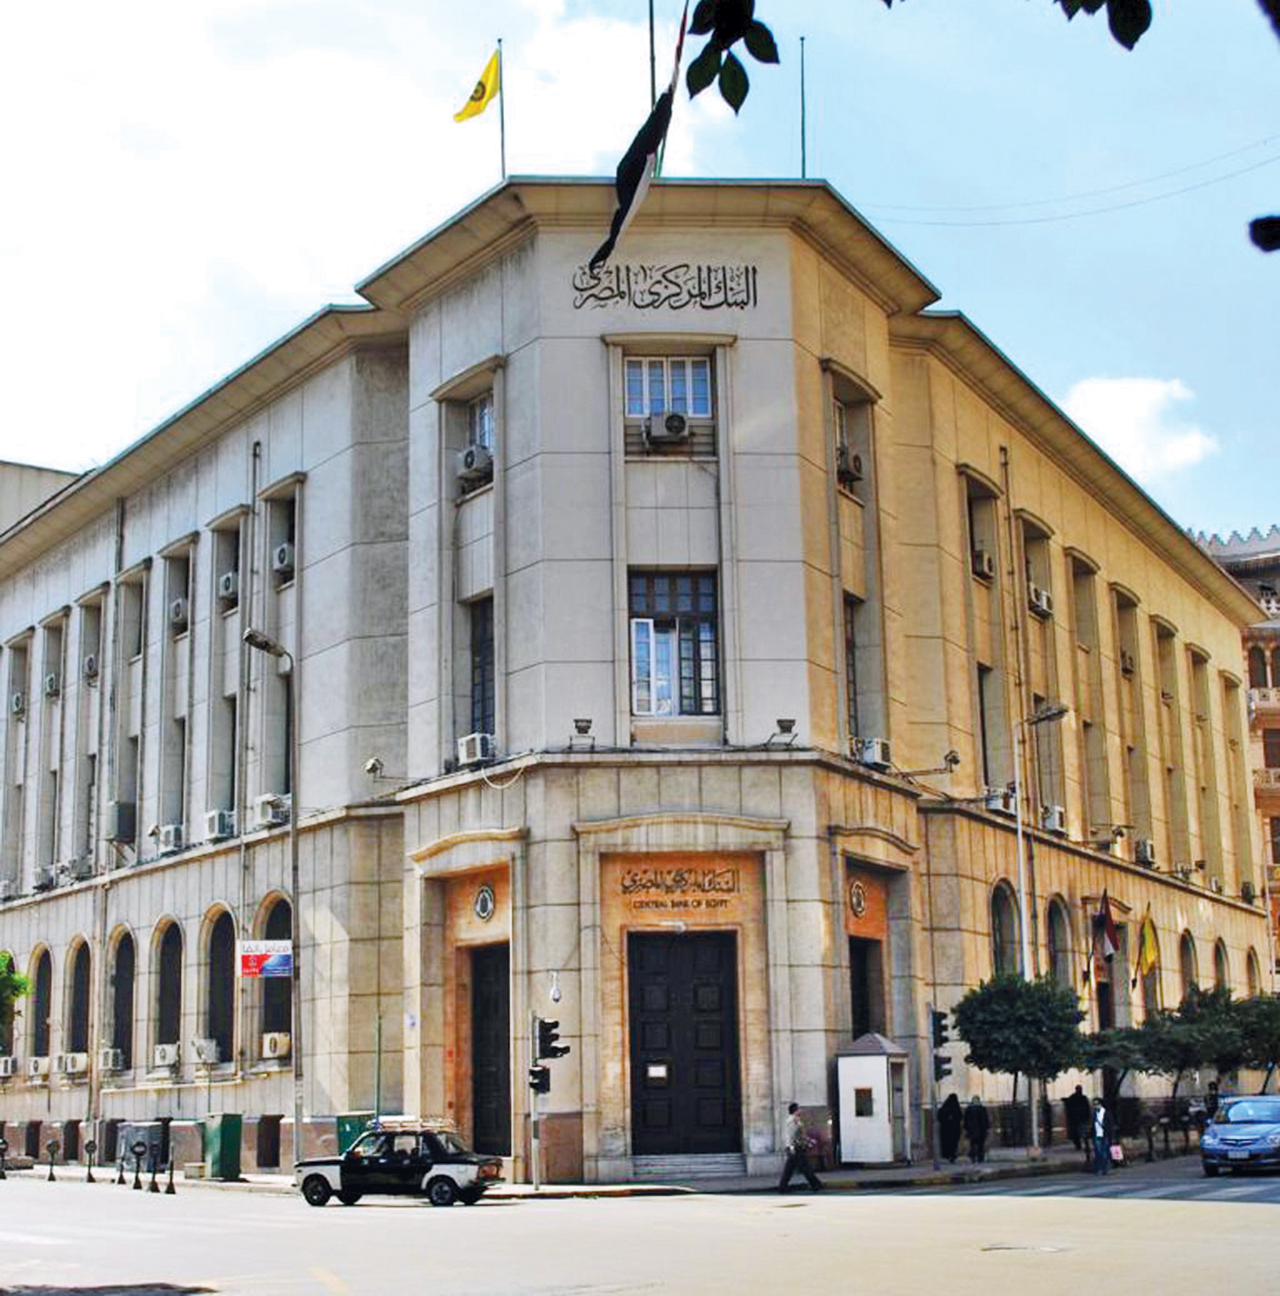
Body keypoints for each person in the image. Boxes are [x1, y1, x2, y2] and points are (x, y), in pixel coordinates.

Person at [777, 1102, 823, 1192]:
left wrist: (809, 1141)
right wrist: (791, 1147)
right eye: (798, 1109)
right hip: (796, 1148)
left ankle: (783, 1187)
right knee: (804, 1167)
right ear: (795, 1110)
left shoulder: (796, 1120)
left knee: (792, 1169)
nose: (800, 1111)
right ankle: (815, 1184)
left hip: (797, 1147)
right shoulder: (792, 1121)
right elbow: (791, 1135)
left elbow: (800, 1135)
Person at [1091, 1097, 1116, 1176]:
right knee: (1098, 1152)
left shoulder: (1106, 1113)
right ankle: (1099, 1168)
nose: (1095, 1106)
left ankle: (1105, 1168)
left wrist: (1112, 1136)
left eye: (1097, 1104)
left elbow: (1110, 1125)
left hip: (1105, 1135)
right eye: (1094, 1104)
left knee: (1104, 1152)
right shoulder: (1094, 1114)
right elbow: (1093, 1125)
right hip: (1097, 1135)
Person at [1064, 1084, 1091, 1155]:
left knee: (1077, 1133)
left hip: (1076, 1118)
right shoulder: (1083, 1098)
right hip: (1081, 1118)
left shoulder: (1074, 1098)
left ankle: (1079, 1145)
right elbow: (1087, 1108)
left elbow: (1068, 1105)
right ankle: (1085, 1144)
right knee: (1082, 1132)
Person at [963, 1096, 990, 1163]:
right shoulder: (982, 1109)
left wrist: (966, 1128)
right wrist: (987, 1128)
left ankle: (973, 1156)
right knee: (980, 1144)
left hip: (972, 1130)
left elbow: (966, 1120)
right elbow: (985, 1120)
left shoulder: (969, 1109)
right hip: (981, 1130)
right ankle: (980, 1157)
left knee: (973, 1144)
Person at [938, 1093, 963, 1163]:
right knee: (953, 1144)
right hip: (954, 1129)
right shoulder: (956, 1107)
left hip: (945, 1129)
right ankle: (952, 1156)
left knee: (947, 1143)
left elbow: (940, 1116)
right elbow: (960, 1117)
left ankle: (948, 1155)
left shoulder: (944, 1107)